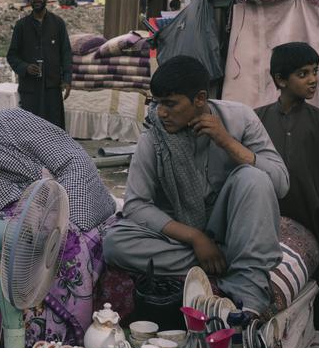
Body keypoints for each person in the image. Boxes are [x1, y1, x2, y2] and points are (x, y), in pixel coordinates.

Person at [103, 56, 289, 314]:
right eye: (156, 103)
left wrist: (227, 142)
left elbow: (280, 184)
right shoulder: (154, 134)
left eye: (170, 104)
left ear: (200, 99)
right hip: (182, 234)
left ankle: (244, 284)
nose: (161, 113)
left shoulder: (240, 119)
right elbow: (136, 204)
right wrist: (195, 237)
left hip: (229, 227)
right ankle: (228, 261)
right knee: (114, 243)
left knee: (253, 177)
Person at [255, 42, 319, 326]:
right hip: (264, 215)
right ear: (281, 80)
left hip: (308, 212)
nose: (313, 79)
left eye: (315, 71)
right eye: (303, 73)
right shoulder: (257, 119)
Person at [6, 0, 73, 129]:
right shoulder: (21, 26)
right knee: (30, 133)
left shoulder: (58, 24)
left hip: (52, 89)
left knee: (53, 132)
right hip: (30, 90)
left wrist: (67, 79)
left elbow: (66, 54)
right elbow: (12, 55)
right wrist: (25, 67)